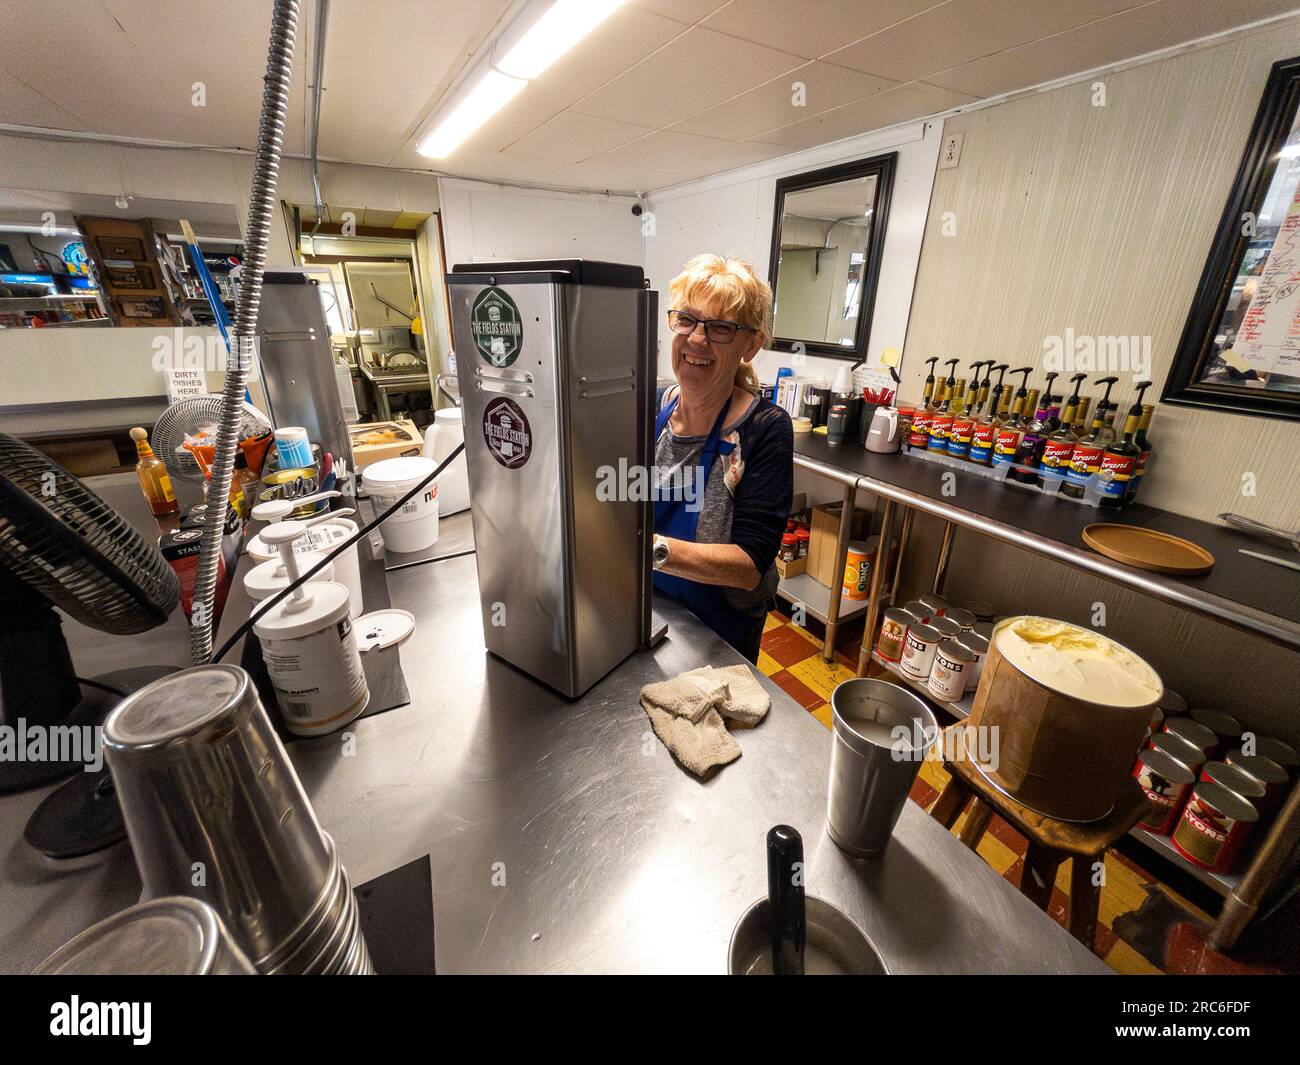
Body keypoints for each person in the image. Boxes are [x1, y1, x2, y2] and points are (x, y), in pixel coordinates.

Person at [652, 254, 793, 663]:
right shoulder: (652, 407)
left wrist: (648, 549)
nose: (697, 339)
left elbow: (749, 565)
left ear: (751, 344)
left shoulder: (763, 429)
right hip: (651, 609)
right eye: (687, 319)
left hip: (720, 633)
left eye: (720, 328)